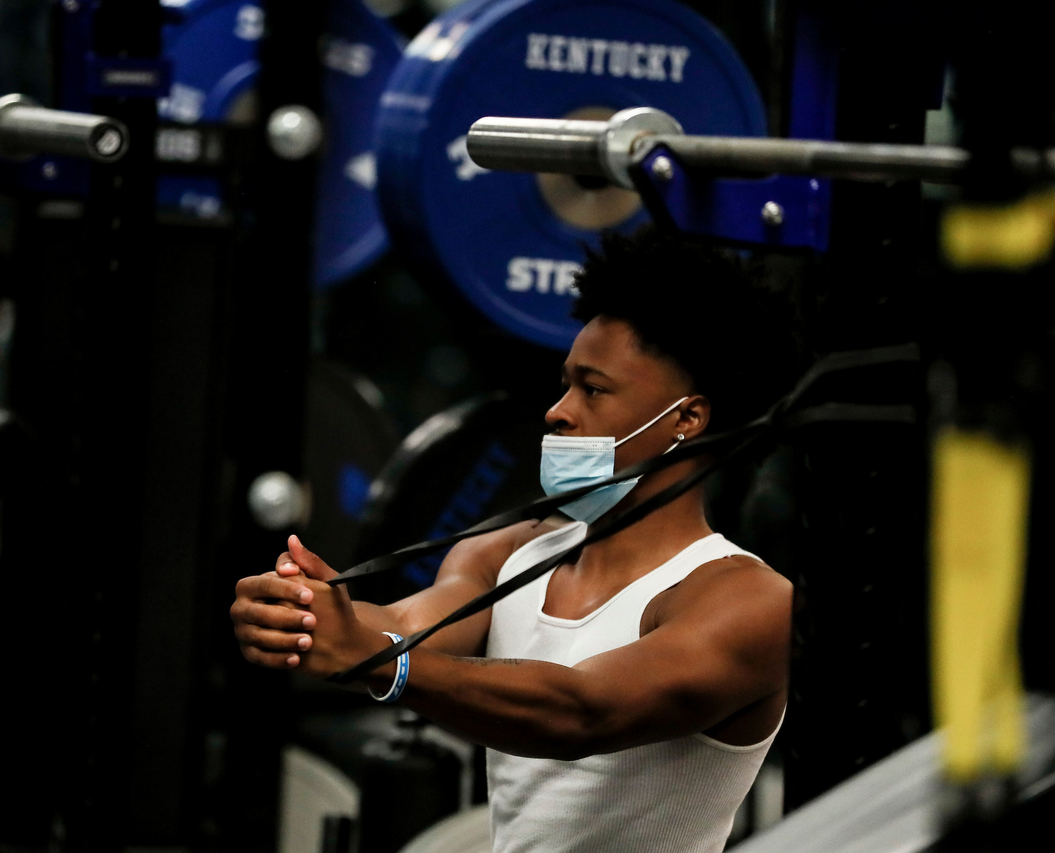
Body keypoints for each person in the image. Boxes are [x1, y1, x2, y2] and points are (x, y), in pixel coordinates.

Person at [231, 229, 797, 852]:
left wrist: (376, 657)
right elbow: (400, 626)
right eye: (565, 385)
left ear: (687, 419)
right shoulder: (503, 553)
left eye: (594, 389)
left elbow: (581, 711)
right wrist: (303, 615)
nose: (558, 411)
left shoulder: (744, 599)